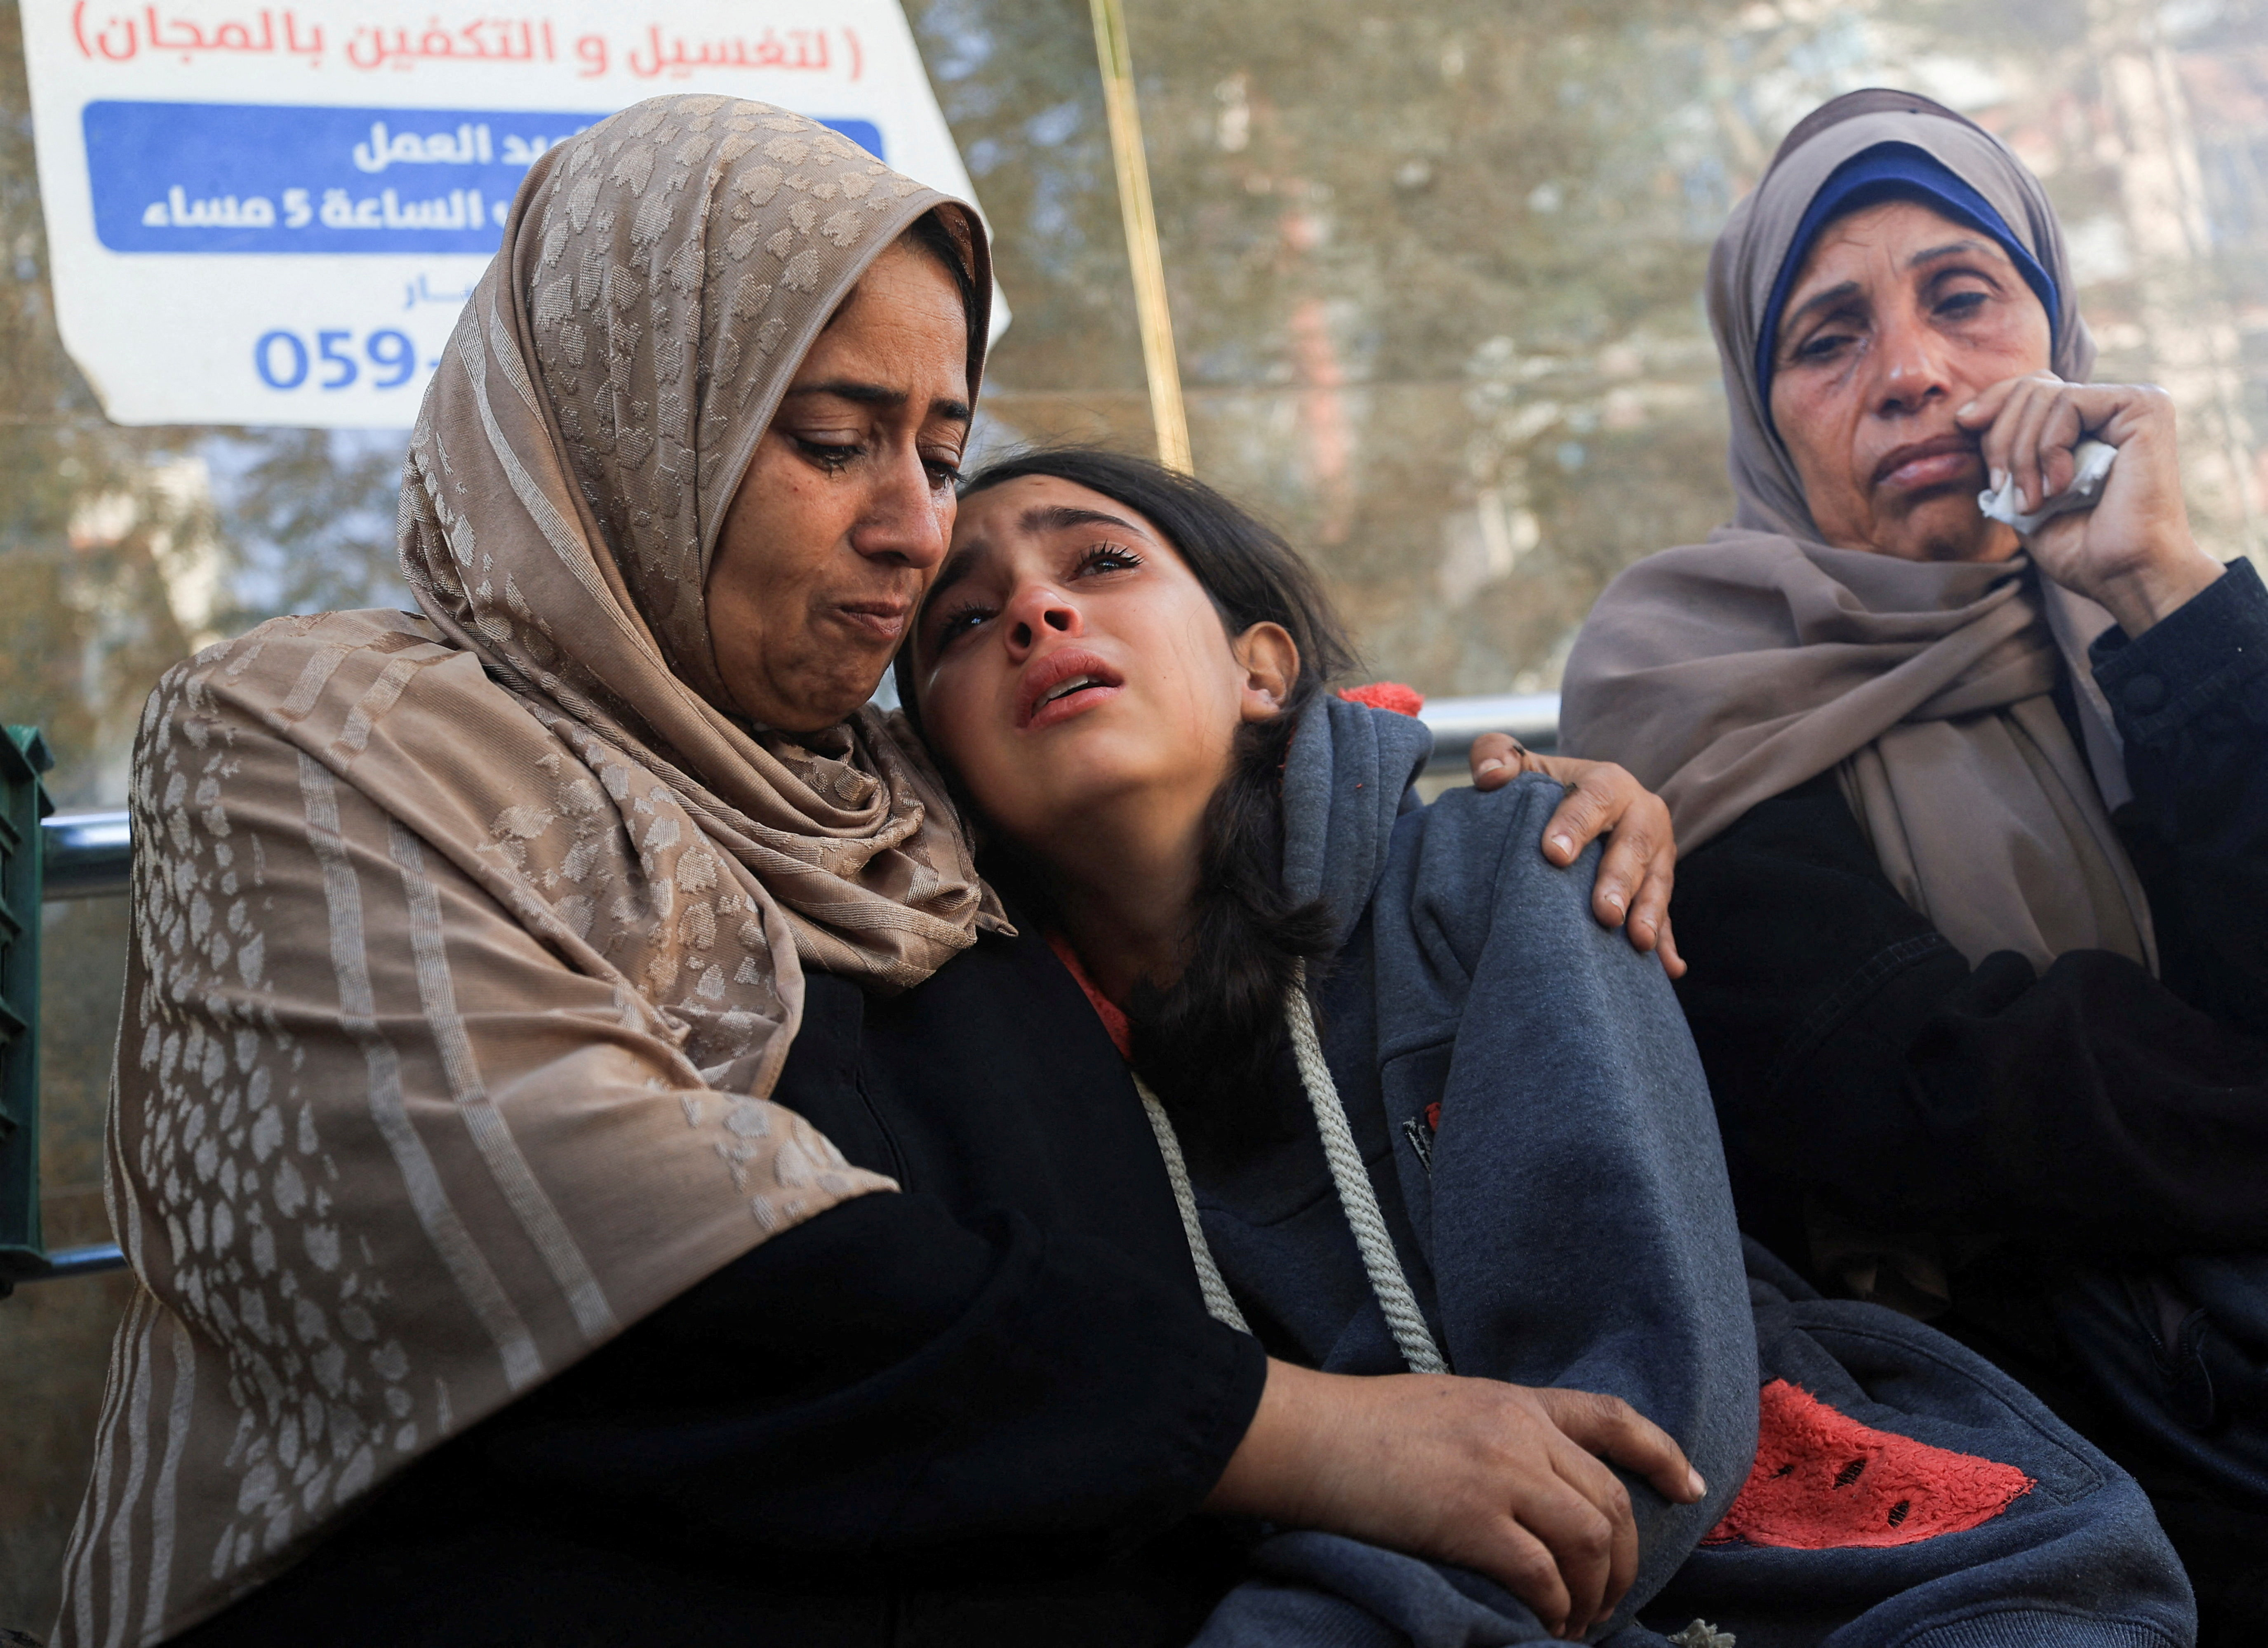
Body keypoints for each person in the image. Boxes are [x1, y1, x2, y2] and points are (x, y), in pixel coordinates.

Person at [56, 95, 1692, 1648]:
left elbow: (1225, 843)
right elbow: (551, 1226)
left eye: (940, 445)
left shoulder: (910, 808)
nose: (919, 532)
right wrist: (1300, 1437)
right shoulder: (329, 733)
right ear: (633, 425)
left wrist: (1515, 817)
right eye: (838, 439)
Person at [900, 444, 2195, 1646]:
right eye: (961, 621)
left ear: (1262, 669)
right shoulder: (998, 1077)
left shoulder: (1509, 859)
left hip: (1889, 1578)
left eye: (1100, 561)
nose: (1035, 613)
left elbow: (1636, 1402)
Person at [1557, 87, 2268, 1632]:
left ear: (2054, 334)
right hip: (2002, 1449)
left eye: (1964, 299)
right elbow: (1941, 1099)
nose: (1912, 375)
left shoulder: (2155, 630)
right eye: (1826, 340)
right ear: (1766, 418)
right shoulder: (1681, 681)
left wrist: (2161, 581)